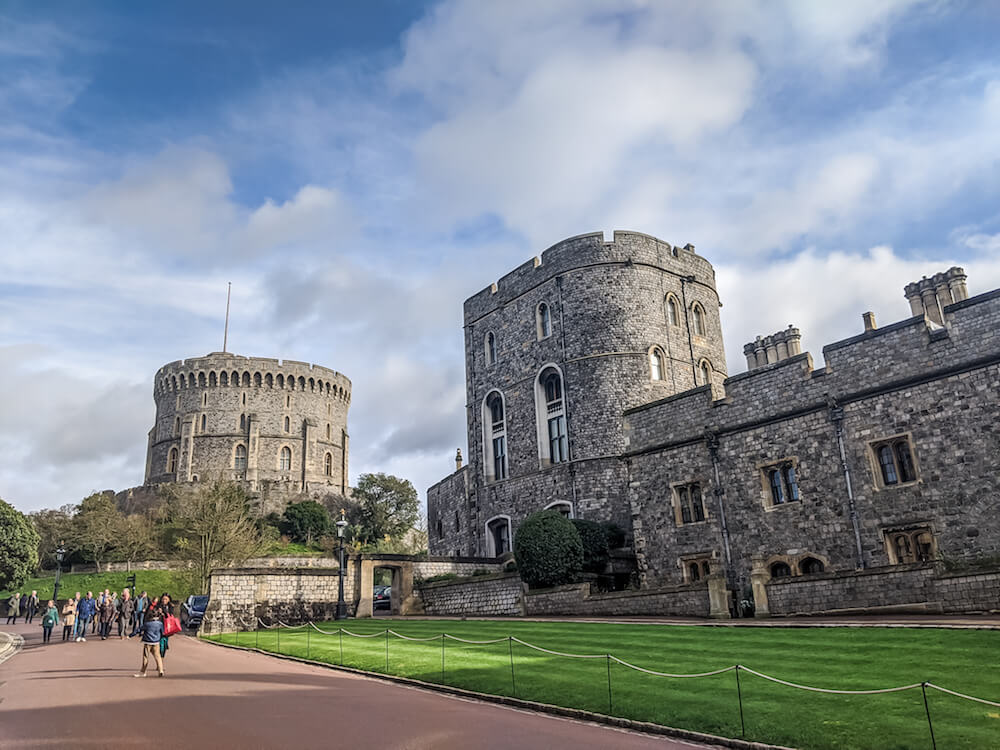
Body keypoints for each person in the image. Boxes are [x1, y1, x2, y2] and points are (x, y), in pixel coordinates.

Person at [135, 608, 164, 678]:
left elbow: (139, 630)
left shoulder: (147, 624)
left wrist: (130, 635)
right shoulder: (160, 624)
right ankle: (161, 670)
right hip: (156, 642)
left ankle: (143, 672)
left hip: (147, 642)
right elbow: (163, 632)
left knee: (145, 657)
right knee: (158, 656)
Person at [148, 593, 175, 663]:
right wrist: (158, 612)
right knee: (160, 645)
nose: (164, 600)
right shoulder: (158, 605)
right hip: (158, 627)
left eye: (166, 599)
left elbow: (171, 615)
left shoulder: (170, 606)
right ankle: (159, 662)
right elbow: (152, 614)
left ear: (169, 599)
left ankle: (161, 659)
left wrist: (164, 612)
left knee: (164, 646)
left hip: (167, 627)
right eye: (163, 599)